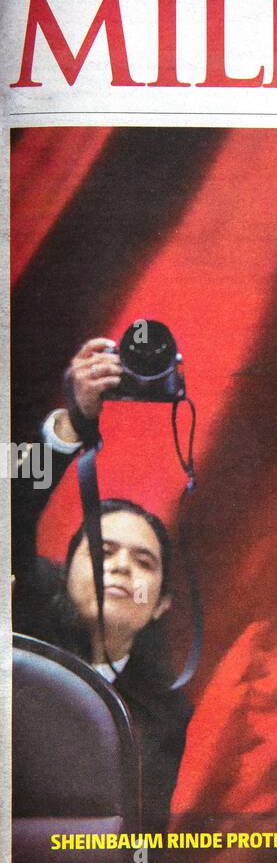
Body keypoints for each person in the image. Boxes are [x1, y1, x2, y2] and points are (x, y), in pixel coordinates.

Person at [12, 338, 192, 829]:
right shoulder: (19, 645)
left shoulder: (167, 712)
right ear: (60, 572)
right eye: (101, 552)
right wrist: (72, 423)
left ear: (161, 605)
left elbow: (145, 842)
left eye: (143, 562)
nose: (120, 569)